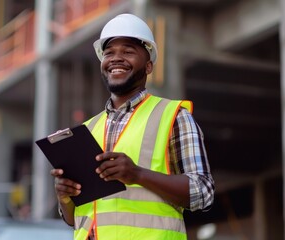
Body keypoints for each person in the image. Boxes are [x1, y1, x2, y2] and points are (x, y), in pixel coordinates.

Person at [50, 13, 214, 240]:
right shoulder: (88, 129)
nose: (116, 58)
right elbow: (75, 219)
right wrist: (65, 197)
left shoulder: (173, 117)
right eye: (109, 53)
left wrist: (137, 174)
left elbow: (202, 194)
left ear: (148, 66)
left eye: (128, 51)